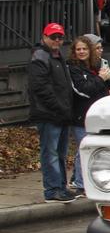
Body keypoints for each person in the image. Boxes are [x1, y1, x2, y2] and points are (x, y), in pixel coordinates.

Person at [27, 22, 75, 202]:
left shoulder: (57, 56)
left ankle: (61, 187)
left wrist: (65, 109)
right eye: (53, 37)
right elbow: (40, 88)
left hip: (61, 114)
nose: (57, 40)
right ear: (44, 37)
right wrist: (60, 107)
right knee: (51, 153)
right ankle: (52, 190)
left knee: (60, 153)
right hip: (48, 114)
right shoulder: (40, 57)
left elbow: (63, 87)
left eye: (60, 37)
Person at [67, 36, 110, 196]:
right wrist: (100, 78)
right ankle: (80, 185)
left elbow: (106, 87)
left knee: (98, 150)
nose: (81, 52)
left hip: (99, 116)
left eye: (84, 49)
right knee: (83, 149)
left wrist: (106, 83)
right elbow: (83, 90)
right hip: (81, 116)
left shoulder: (96, 66)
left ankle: (98, 182)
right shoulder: (73, 68)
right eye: (78, 49)